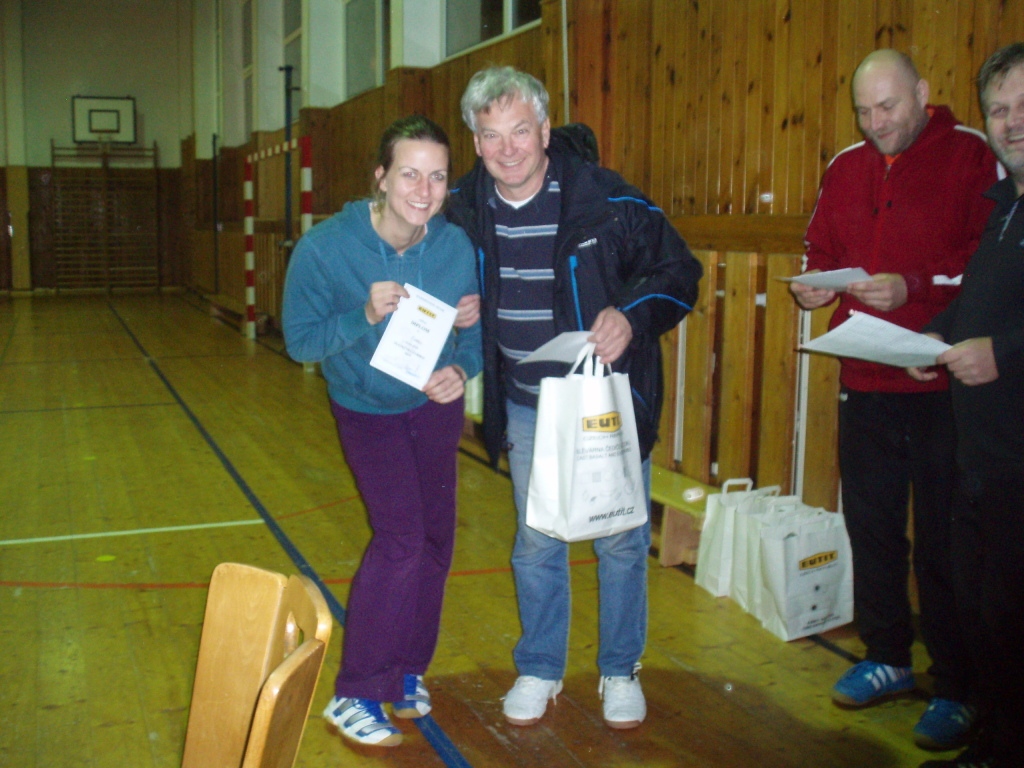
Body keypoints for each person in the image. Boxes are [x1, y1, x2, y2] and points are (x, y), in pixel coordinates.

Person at [446, 65, 702, 730]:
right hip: (526, 404)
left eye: (519, 131)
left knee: (621, 540)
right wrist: (456, 309)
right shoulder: (462, 207)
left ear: (544, 130)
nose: (507, 148)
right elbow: (431, 278)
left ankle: (620, 669)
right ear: (475, 142)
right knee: (537, 543)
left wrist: (631, 316)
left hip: (605, 403)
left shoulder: (606, 198)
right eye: (491, 135)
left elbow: (680, 271)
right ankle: (539, 667)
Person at [789, 49, 999, 751]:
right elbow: (820, 250)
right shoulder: (846, 166)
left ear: (923, 93)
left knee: (945, 540)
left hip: (942, 383)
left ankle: (958, 685)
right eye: (864, 111)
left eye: (888, 106)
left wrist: (914, 286)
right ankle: (886, 657)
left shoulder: (972, 155)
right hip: (865, 378)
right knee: (873, 527)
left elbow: (987, 262)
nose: (875, 123)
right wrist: (813, 286)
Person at [281, 115, 482, 747]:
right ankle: (355, 691)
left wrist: (461, 368)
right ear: (381, 177)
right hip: (366, 411)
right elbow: (300, 342)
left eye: (438, 177)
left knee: (435, 542)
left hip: (433, 411)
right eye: (410, 174)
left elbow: (474, 333)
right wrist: (363, 314)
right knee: (400, 540)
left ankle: (405, 671)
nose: (424, 190)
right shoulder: (325, 248)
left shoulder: (454, 247)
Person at [909, 42, 1024, 768]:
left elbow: (1004, 334)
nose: (1012, 122)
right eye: (1000, 109)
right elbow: (978, 305)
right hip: (980, 456)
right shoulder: (1005, 207)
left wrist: (1004, 354)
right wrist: (934, 335)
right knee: (987, 615)